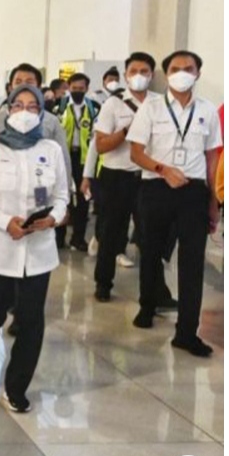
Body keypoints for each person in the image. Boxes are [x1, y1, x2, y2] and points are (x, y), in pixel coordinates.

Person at [0, 84, 69, 413]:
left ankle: (16, 386)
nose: (25, 112)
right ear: (8, 110)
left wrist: (53, 217)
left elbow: (63, 195)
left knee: (31, 321)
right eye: (18, 105)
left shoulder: (50, 149)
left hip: (38, 254)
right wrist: (3, 220)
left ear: (41, 112)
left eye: (32, 106)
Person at [127, 50, 222, 356]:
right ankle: (147, 305)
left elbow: (212, 159)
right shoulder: (152, 108)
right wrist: (162, 169)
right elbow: (136, 152)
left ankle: (186, 332)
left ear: (198, 73)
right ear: (166, 74)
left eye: (189, 68)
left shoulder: (208, 110)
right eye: (176, 68)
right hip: (156, 187)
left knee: (192, 262)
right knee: (152, 252)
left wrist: (213, 201)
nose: (182, 73)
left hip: (193, 192)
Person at [91, 53, 172, 303]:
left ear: (152, 74)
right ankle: (103, 283)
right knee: (111, 232)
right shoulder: (113, 105)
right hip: (117, 177)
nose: (139, 76)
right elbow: (101, 145)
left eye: (144, 71)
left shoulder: (161, 103)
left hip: (149, 176)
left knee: (151, 236)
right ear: (126, 75)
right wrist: (128, 130)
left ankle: (157, 291)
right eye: (134, 71)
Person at [55, 73, 100, 251]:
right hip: (61, 157)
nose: (77, 92)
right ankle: (58, 238)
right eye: (74, 89)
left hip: (84, 158)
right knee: (61, 196)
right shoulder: (59, 106)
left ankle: (78, 238)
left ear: (87, 89)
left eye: (81, 89)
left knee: (83, 200)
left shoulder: (94, 107)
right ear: (68, 87)